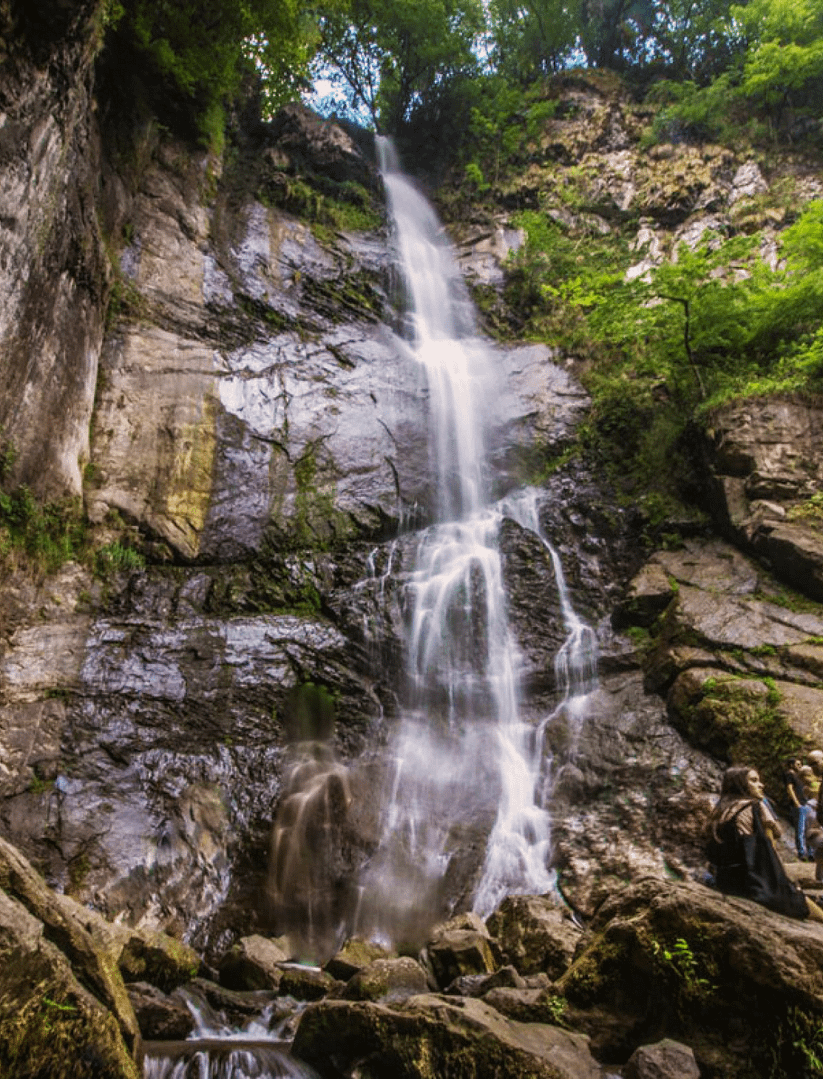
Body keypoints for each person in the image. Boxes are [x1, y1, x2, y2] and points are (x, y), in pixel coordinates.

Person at [705, 765, 823, 922]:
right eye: (754, 780)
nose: (761, 785)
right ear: (739, 784)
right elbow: (770, 846)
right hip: (756, 882)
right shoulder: (754, 806)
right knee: (804, 904)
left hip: (728, 882)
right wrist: (784, 881)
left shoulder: (718, 811)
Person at [784, 756, 814, 861]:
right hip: (798, 805)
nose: (800, 766)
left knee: (808, 829)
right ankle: (802, 853)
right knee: (800, 830)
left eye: (801, 764)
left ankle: (811, 853)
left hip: (806, 804)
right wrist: (796, 803)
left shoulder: (799, 776)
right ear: (791, 765)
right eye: (798, 764)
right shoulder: (789, 774)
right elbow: (789, 789)